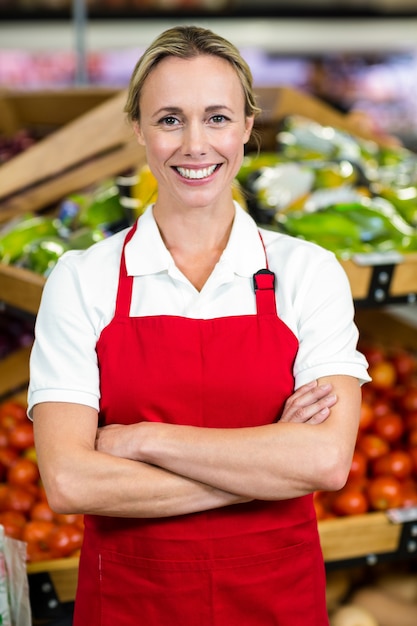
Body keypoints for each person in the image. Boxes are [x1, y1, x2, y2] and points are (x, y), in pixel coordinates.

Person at [29, 25, 370, 626]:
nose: (194, 144)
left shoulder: (308, 272)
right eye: (169, 119)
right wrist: (267, 469)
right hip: (131, 606)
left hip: (277, 605)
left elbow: (323, 464)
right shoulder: (81, 279)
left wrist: (142, 440)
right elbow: (70, 481)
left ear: (246, 126)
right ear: (137, 127)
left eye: (216, 118)